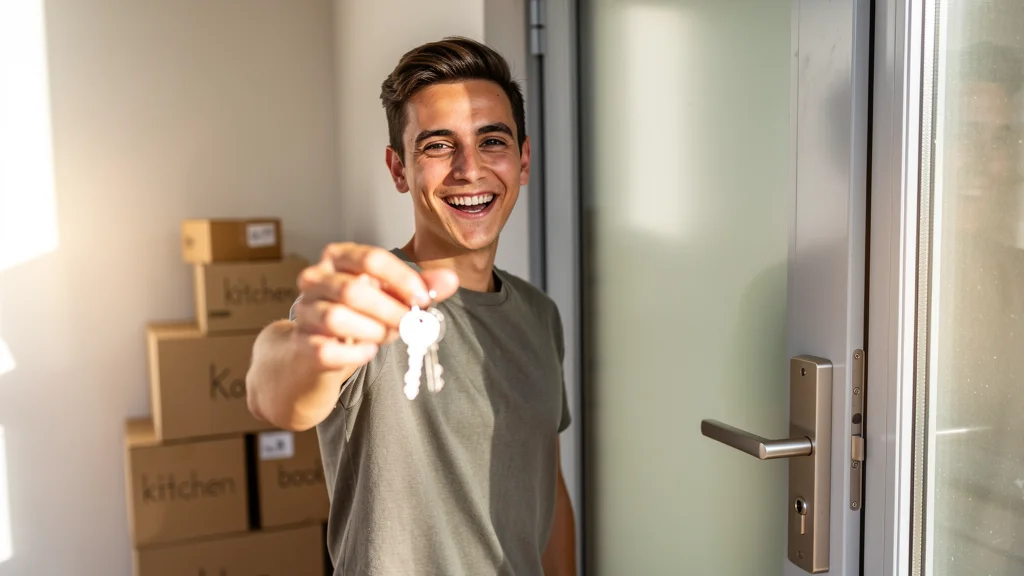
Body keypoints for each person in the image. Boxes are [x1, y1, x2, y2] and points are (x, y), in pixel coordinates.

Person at [245, 36, 576, 576]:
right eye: (438, 146)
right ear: (399, 169)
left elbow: (548, 489)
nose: (470, 169)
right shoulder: (371, 300)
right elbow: (275, 395)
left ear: (523, 161)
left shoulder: (540, 315)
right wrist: (306, 350)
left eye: (492, 140)